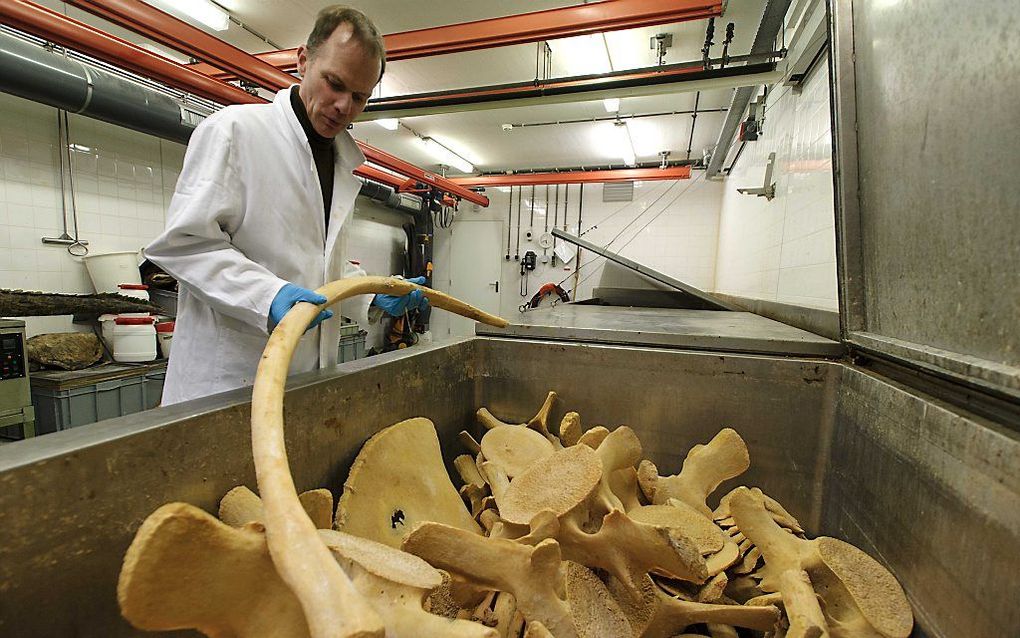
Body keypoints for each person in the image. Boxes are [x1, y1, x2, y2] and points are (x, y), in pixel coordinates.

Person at [145, 6, 426, 405]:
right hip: (229, 382)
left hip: (305, 383)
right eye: (334, 84)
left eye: (359, 96)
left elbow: (318, 262)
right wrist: (266, 296)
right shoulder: (235, 131)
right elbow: (185, 245)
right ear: (302, 61)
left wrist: (370, 295)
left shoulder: (342, 161)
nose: (344, 106)